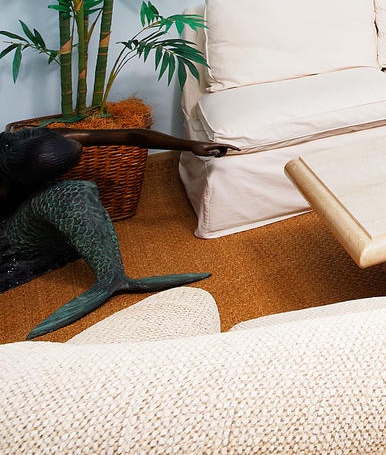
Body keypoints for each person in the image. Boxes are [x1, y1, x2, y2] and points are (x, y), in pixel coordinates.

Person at [0, 125, 233, 338]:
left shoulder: (50, 137)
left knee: (75, 190)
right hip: (7, 235)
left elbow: (132, 135)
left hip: (25, 206)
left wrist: (191, 146)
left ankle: (113, 278)